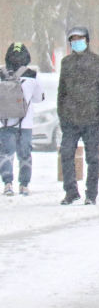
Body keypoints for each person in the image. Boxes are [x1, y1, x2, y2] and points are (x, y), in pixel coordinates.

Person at [58, 27, 99, 205]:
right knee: (66, 154)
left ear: (87, 40)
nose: (77, 42)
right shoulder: (66, 62)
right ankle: (71, 191)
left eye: (80, 38)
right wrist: (62, 114)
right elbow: (62, 91)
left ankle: (91, 193)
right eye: (73, 39)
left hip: (92, 119)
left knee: (93, 158)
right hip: (70, 119)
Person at [0, 43, 43, 197]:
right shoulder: (31, 74)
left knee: (6, 153)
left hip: (4, 121)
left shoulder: (1, 72)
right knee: (24, 154)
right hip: (25, 123)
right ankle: (24, 185)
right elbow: (38, 98)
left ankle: (7, 184)